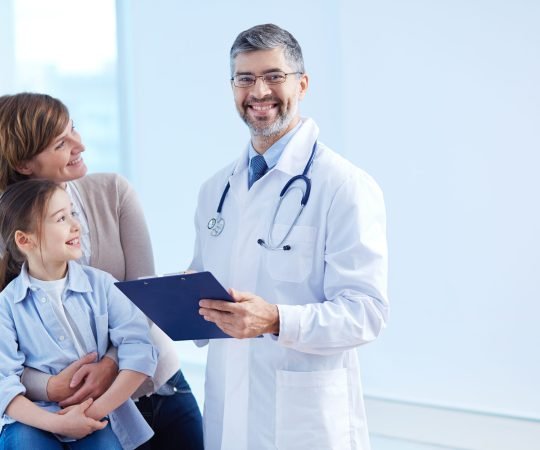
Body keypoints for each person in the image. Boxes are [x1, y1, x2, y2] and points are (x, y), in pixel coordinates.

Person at [193, 24, 389, 449]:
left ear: (302, 83)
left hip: (305, 424)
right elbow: (207, 285)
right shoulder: (216, 191)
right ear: (232, 89)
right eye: (245, 78)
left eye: (273, 76)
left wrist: (277, 319)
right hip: (229, 418)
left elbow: (366, 311)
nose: (258, 91)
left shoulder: (344, 186)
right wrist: (183, 299)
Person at [0, 93, 203, 450]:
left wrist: (110, 364)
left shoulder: (113, 192)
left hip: (155, 388)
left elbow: (144, 297)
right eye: (61, 142)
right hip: (68, 415)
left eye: (73, 129)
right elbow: (6, 355)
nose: (80, 144)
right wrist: (51, 388)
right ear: (25, 164)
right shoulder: (10, 235)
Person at [0, 179, 158, 449]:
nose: (76, 225)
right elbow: (3, 384)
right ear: (25, 240)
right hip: (31, 418)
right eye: (61, 218)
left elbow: (139, 350)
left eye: (73, 213)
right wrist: (59, 423)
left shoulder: (103, 285)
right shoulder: (6, 305)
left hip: (96, 413)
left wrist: (90, 413)